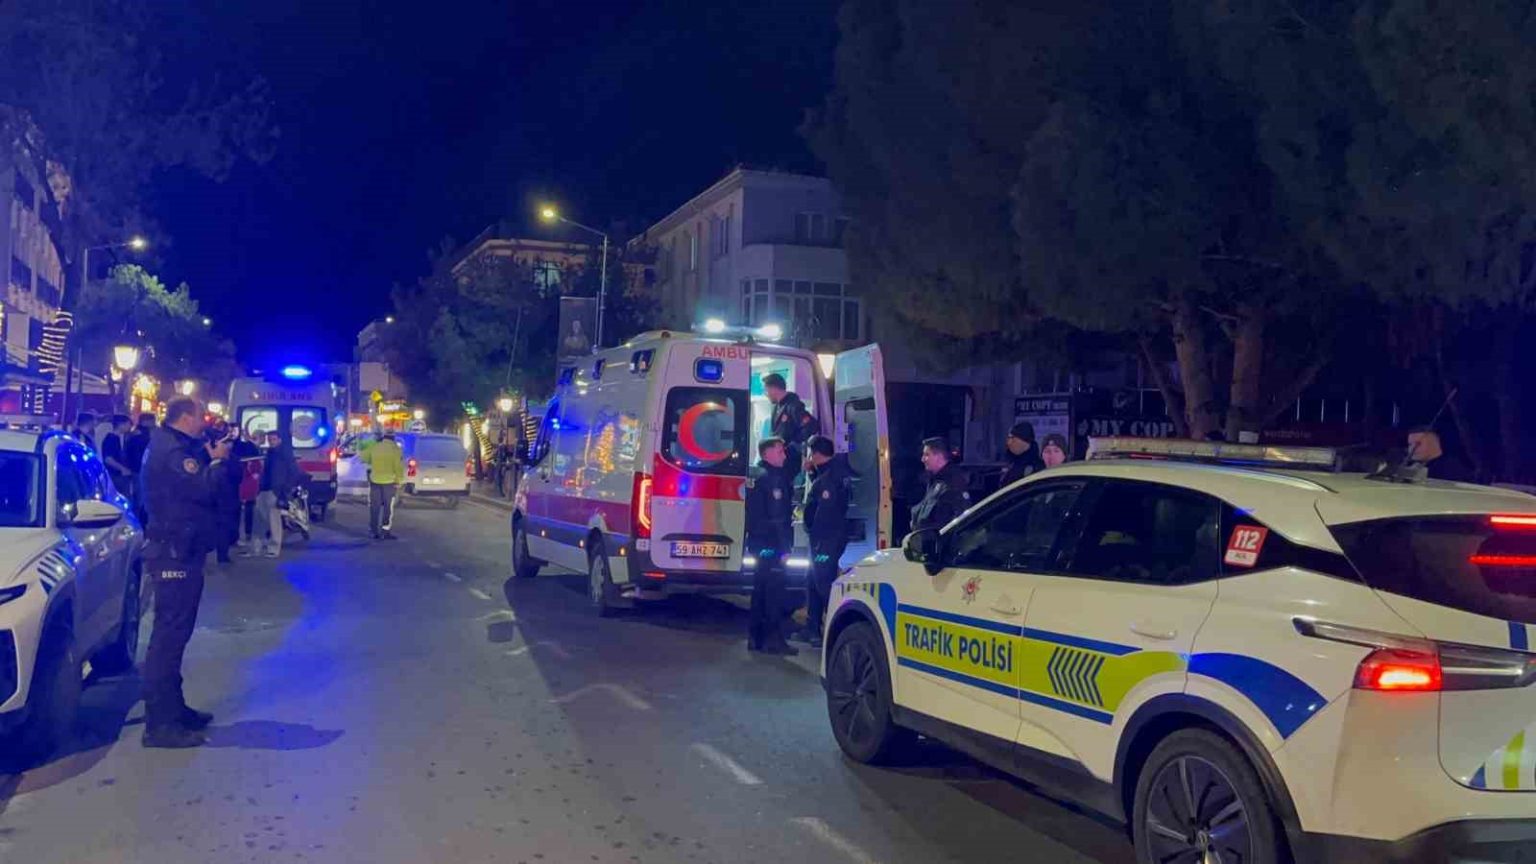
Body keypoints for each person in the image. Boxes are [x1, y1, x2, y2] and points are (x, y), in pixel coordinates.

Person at [140, 396, 228, 748]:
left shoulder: (171, 445)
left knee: (177, 633)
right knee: (169, 637)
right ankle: (160, 724)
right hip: (174, 551)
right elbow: (202, 489)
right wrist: (217, 463)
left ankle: (174, 710)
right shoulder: (172, 452)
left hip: (181, 548)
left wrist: (206, 457)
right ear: (187, 416)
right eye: (200, 416)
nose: (203, 422)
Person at [796, 434, 852, 648]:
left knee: (823, 583)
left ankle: (835, 630)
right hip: (827, 539)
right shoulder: (833, 472)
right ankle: (812, 628)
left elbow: (824, 514)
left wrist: (815, 536)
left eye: (810, 453)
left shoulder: (829, 478)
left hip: (825, 540)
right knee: (812, 581)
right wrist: (811, 473)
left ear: (816, 454)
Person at [745, 437, 797, 656]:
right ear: (767, 454)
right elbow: (777, 518)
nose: (784, 455)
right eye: (779, 451)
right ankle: (773, 640)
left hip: (758, 543)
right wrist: (785, 548)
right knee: (773, 592)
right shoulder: (773, 479)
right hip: (772, 543)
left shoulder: (755, 475)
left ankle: (755, 637)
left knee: (759, 589)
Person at [247, 430, 301, 558]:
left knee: (273, 521)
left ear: (279, 440)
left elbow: (293, 473)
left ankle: (273, 548)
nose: (271, 442)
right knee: (259, 520)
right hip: (265, 489)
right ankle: (256, 548)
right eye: (270, 440)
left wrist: (284, 491)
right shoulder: (270, 453)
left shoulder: (284, 454)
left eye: (273, 439)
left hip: (275, 490)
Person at [911, 436, 972, 531]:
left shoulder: (952, 483)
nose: (923, 459)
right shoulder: (935, 480)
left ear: (939, 456)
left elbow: (956, 522)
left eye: (927, 455)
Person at [763, 373, 816, 470]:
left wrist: (793, 444)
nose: (766, 395)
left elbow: (811, 426)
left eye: (766, 391)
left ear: (773, 389)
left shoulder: (794, 405)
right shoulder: (776, 407)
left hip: (789, 459)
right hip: (777, 459)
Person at [362, 429, 405, 540]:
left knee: (374, 507)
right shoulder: (396, 449)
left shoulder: (375, 446)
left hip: (375, 481)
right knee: (388, 508)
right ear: (393, 438)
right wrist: (399, 481)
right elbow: (398, 467)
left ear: (383, 437)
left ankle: (373, 531)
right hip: (389, 483)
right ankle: (385, 531)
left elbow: (364, 458)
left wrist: (371, 442)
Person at [1407, 426, 1473, 482]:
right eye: (1410, 444)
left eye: (1418, 444)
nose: (1411, 449)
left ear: (1434, 444)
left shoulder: (1451, 470)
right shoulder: (1415, 466)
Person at [999, 421, 1045, 487]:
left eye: (1013, 439)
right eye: (1008, 438)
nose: (1008, 443)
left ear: (1025, 442)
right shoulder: (1009, 462)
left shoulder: (1036, 467)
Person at [100, 414, 136, 496]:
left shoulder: (117, 438)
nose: (130, 427)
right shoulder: (111, 439)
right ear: (121, 425)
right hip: (115, 476)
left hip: (117, 475)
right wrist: (123, 469)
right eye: (128, 424)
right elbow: (108, 459)